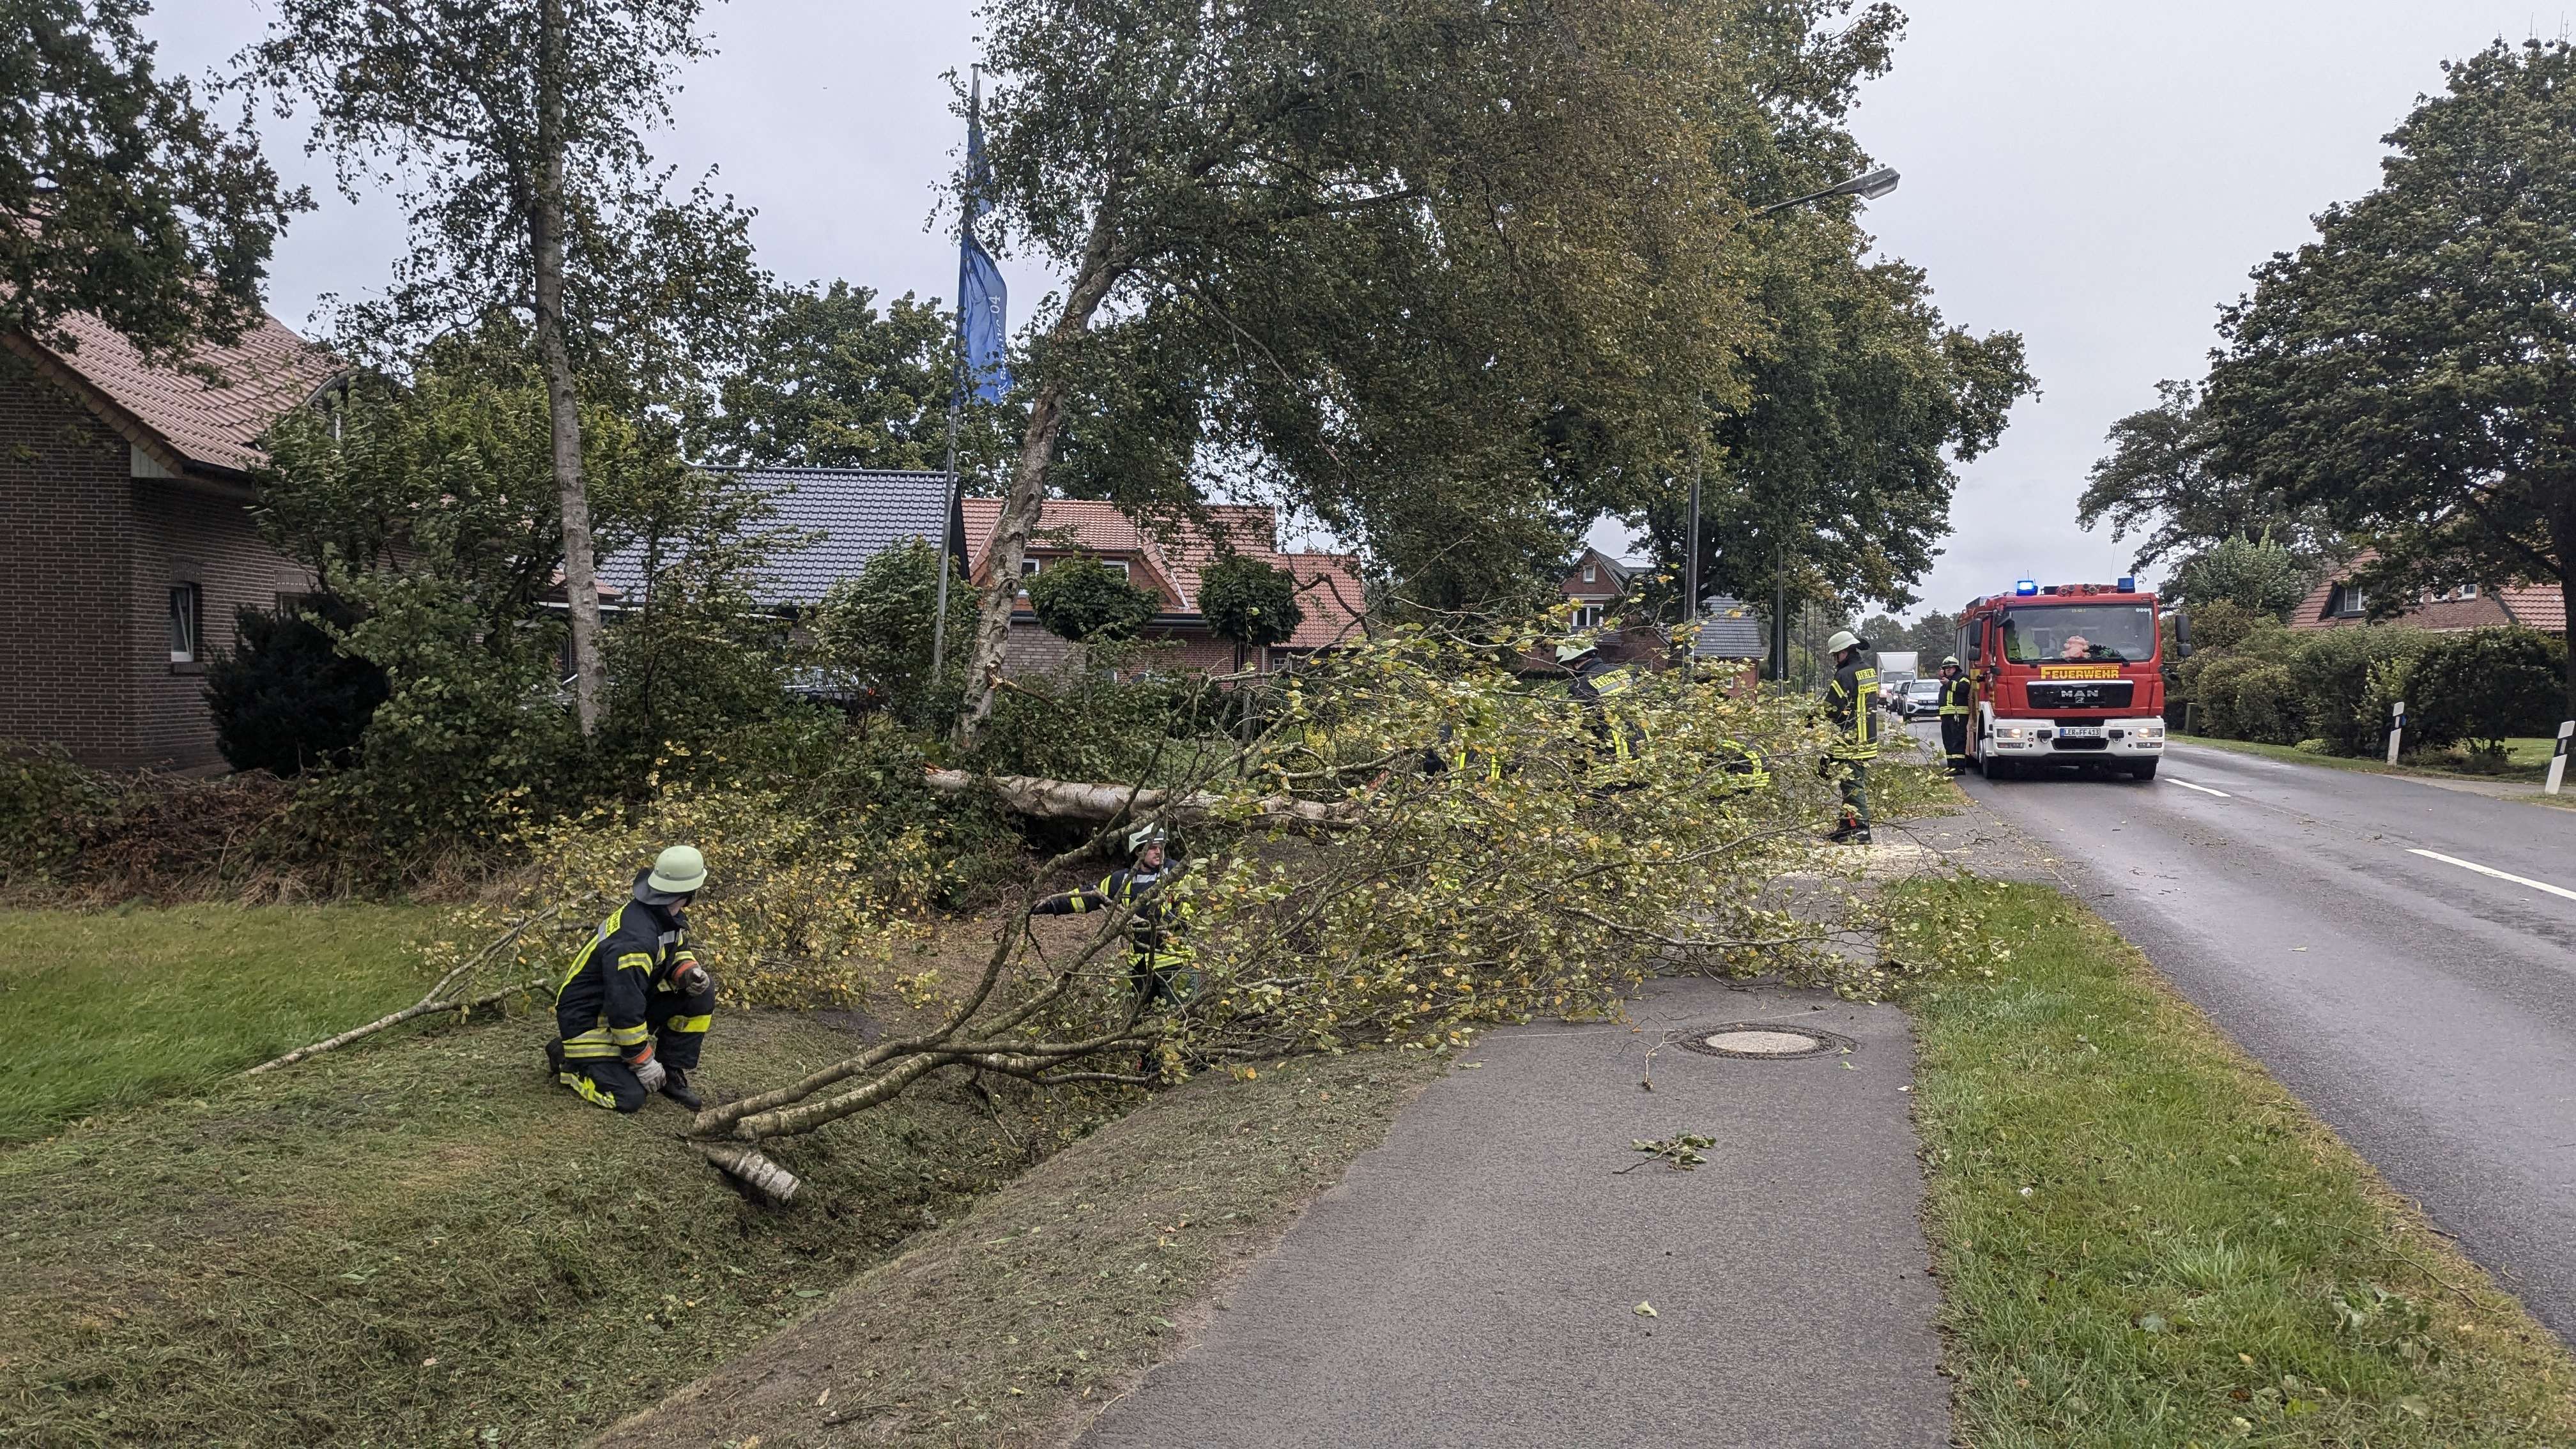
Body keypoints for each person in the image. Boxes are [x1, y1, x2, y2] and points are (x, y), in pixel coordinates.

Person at [548, 845, 717, 1112]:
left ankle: (670, 1070)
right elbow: (625, 1009)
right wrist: (643, 1061)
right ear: (689, 893)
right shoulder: (635, 940)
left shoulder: (663, 914)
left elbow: (675, 950)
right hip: (587, 1020)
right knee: (629, 1098)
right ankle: (568, 1062)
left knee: (701, 993)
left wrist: (688, 973)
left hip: (619, 1005)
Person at [1036, 823, 1193, 1013]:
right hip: (1140, 967)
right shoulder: (1122, 880)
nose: (1158, 851)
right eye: (1152, 847)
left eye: (1161, 846)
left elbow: (1190, 909)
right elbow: (1088, 897)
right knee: (1141, 1024)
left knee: (1181, 1021)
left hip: (1174, 964)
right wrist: (1048, 905)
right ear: (1137, 851)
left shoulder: (1174, 873)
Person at [1820, 629, 1879, 844]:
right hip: (1866, 737)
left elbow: (1831, 706)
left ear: (1843, 652)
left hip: (1850, 739)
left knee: (1852, 784)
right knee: (1848, 783)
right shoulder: (1867, 671)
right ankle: (1847, 827)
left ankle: (1862, 830)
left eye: (1836, 655)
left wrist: (1810, 721)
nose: (1835, 660)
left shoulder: (1845, 674)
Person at [1936, 655, 1974, 773]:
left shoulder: (1963, 678)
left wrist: (1949, 683)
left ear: (1956, 668)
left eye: (1951, 668)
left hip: (1958, 715)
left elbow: (1963, 689)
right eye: (1946, 668)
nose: (1948, 670)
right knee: (1948, 741)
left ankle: (1959, 767)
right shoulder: (1946, 681)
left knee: (1958, 740)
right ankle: (1951, 766)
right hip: (1946, 716)